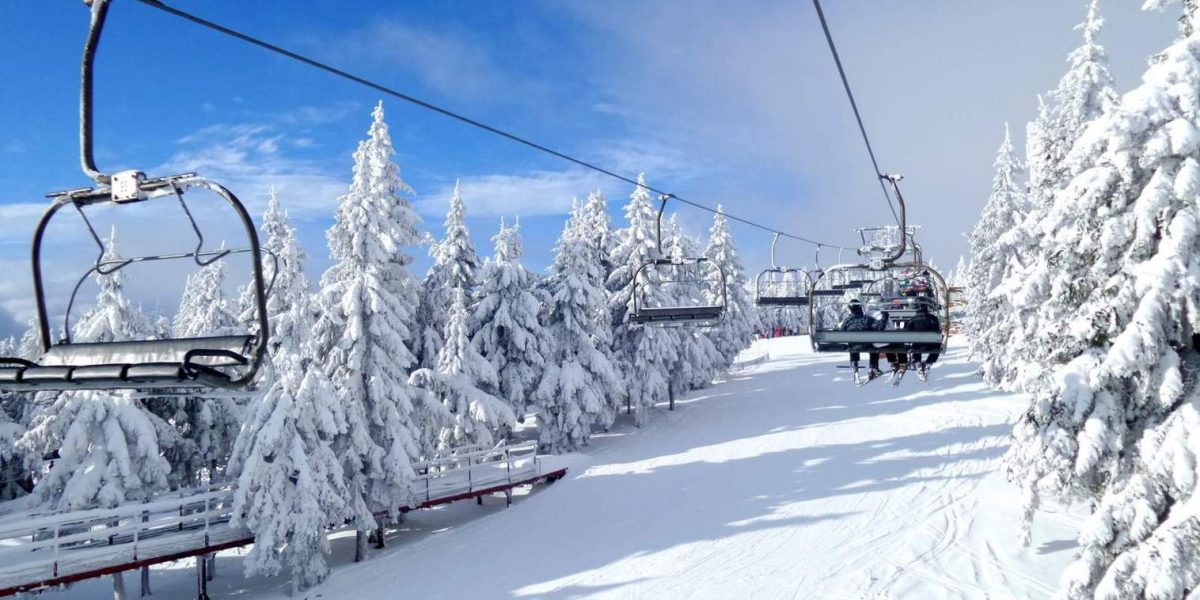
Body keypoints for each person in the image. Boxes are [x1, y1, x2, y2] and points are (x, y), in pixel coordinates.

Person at [840, 298, 885, 379]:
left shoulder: (847, 321)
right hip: (866, 345)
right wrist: (884, 318)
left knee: (853, 344)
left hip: (853, 346)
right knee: (873, 349)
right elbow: (879, 326)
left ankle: (855, 364)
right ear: (860, 307)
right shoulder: (867, 319)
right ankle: (873, 367)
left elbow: (842, 331)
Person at [905, 302, 941, 377]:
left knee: (916, 345)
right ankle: (929, 362)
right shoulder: (933, 318)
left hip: (917, 345)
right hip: (930, 345)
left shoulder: (912, 319)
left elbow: (907, 331)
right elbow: (937, 330)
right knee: (937, 347)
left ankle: (917, 362)